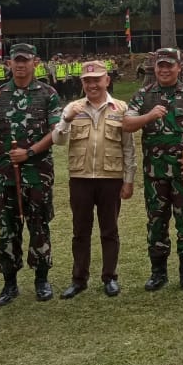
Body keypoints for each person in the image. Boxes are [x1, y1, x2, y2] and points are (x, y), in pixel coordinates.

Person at [0, 43, 62, 306]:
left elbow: (56, 132)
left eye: (25, 60)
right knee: (8, 228)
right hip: (7, 175)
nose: (20, 65)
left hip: (38, 173)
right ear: (9, 64)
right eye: (15, 61)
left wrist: (30, 153)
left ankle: (41, 279)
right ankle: (10, 283)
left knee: (39, 225)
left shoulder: (47, 93)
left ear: (35, 62)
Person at [123, 47, 183, 292]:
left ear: (179, 67)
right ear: (154, 67)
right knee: (156, 222)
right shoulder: (144, 95)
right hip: (155, 174)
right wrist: (149, 116)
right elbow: (127, 123)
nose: (163, 69)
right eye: (159, 65)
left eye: (168, 65)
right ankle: (158, 272)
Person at [52, 60, 135, 298]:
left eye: (97, 80)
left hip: (111, 178)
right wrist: (66, 120)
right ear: (82, 83)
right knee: (80, 231)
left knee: (109, 230)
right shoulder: (73, 108)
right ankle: (79, 279)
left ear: (107, 80)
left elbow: (128, 148)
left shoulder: (120, 108)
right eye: (87, 81)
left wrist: (128, 179)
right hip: (81, 178)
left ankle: (110, 277)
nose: (92, 85)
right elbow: (58, 141)